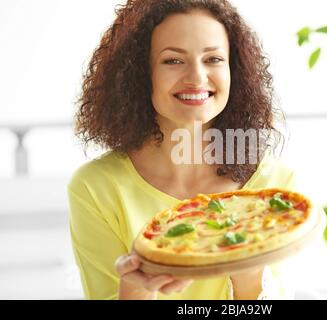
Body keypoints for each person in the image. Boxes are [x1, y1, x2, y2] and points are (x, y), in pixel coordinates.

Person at [68, 0, 296, 300]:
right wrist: (136, 290)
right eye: (173, 61)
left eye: (213, 59)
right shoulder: (96, 188)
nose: (197, 77)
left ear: (234, 71)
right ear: (140, 73)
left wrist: (249, 272)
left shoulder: (273, 186)